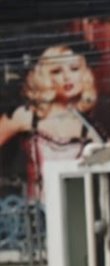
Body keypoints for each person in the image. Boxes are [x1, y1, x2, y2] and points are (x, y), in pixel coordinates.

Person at [0, 44, 104, 201]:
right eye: (56, 71)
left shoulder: (89, 128)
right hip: (34, 216)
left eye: (74, 69)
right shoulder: (27, 116)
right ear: (44, 77)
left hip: (76, 213)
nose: (66, 77)